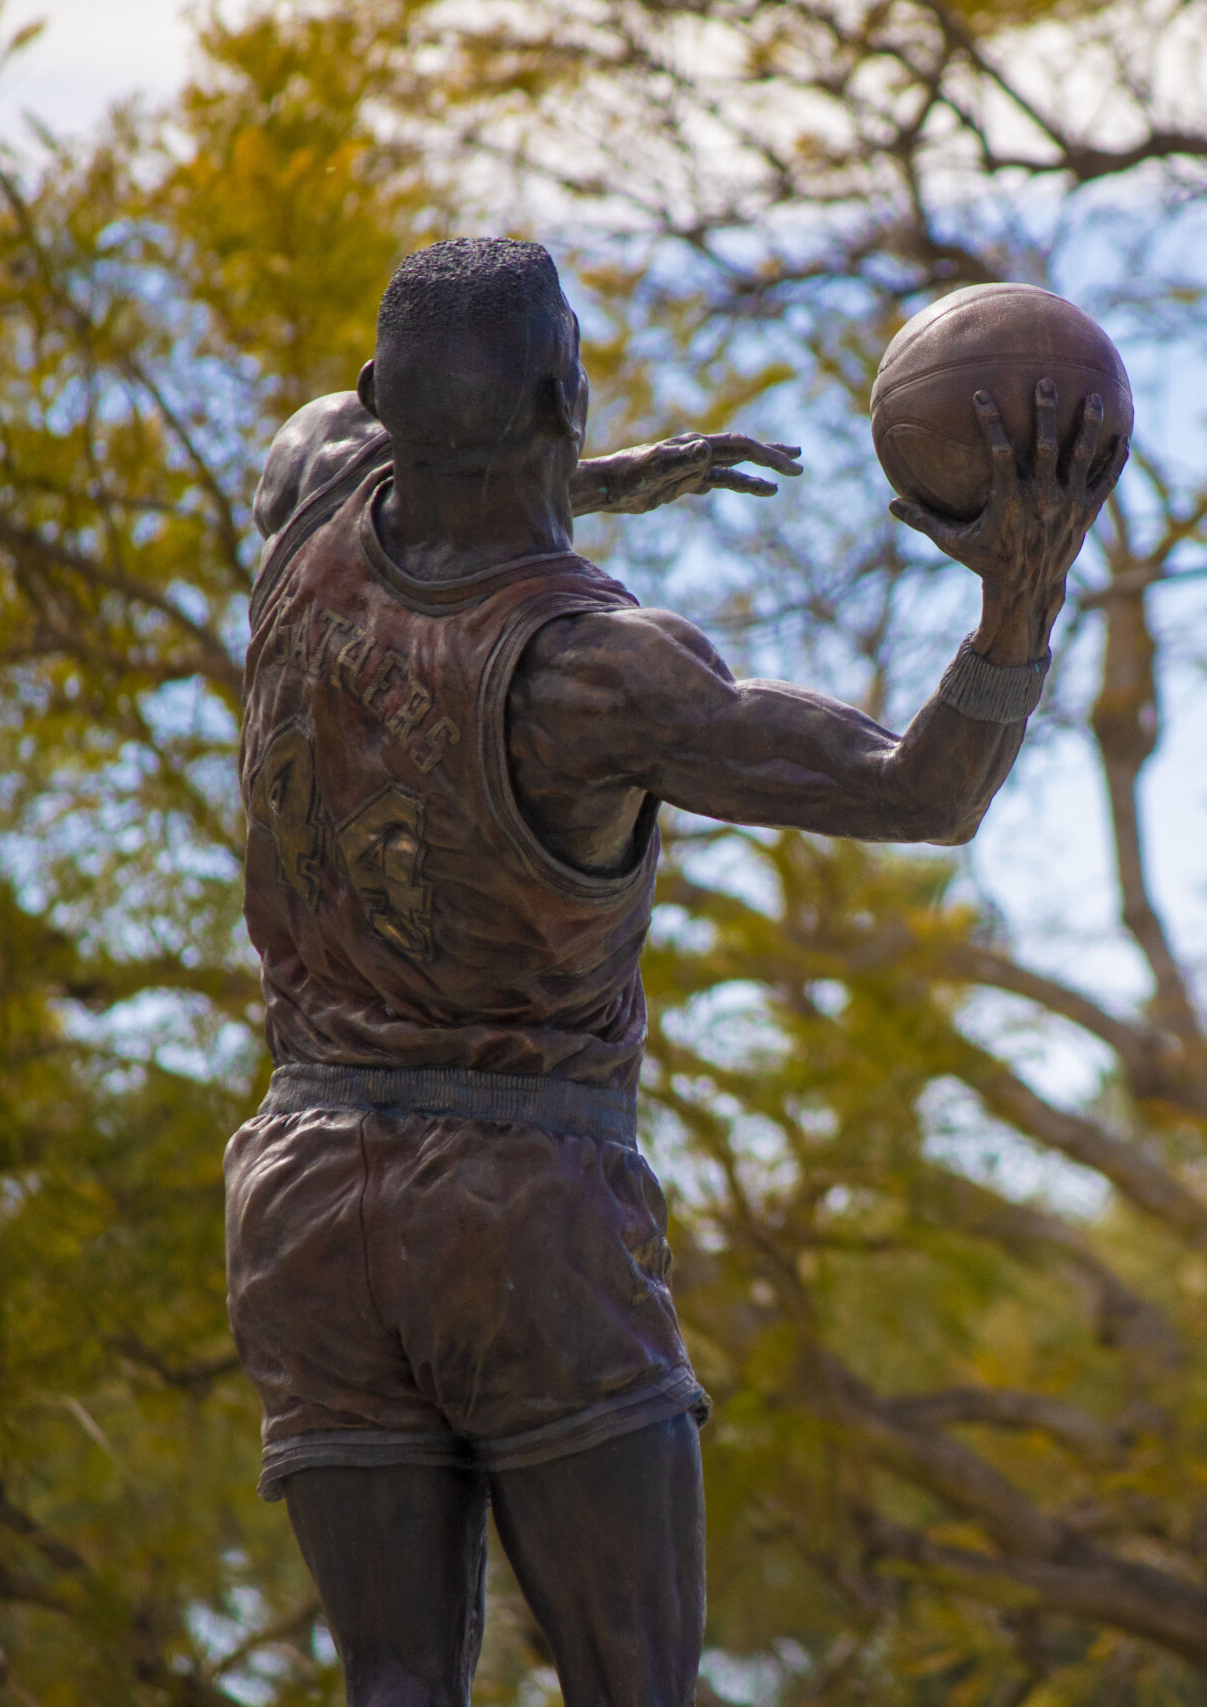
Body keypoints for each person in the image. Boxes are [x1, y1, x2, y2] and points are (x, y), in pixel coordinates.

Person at [225, 236, 1121, 1707]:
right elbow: (920, 794)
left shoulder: (308, 488)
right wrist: (1020, 595)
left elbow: (411, 447)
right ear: (567, 388)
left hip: (303, 1200)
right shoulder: (598, 675)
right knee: (630, 1680)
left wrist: (582, 476)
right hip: (526, 1217)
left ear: (385, 397)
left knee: (391, 1680)